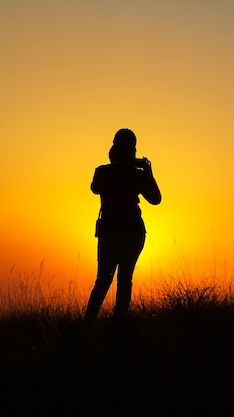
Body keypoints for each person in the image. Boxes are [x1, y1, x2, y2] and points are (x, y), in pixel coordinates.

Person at [84, 128, 162, 325]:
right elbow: (156, 199)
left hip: (109, 231)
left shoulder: (102, 172)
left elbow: (95, 188)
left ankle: (88, 323)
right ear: (132, 151)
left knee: (103, 279)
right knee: (125, 279)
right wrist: (148, 174)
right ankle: (118, 324)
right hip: (133, 232)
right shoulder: (137, 175)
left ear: (112, 149)